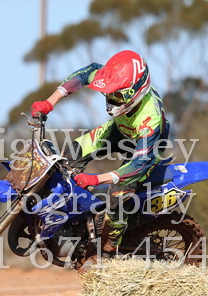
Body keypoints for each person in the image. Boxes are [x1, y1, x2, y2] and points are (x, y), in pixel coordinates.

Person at [31, 50, 170, 257]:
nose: (112, 99)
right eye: (109, 93)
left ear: (137, 91)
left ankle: (107, 250)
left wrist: (96, 179)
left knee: (119, 194)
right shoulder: (114, 80)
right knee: (70, 154)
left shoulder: (151, 119)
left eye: (118, 95)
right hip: (120, 130)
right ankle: (71, 216)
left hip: (147, 147)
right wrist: (50, 102)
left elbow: (138, 164)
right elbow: (85, 73)